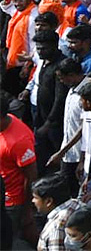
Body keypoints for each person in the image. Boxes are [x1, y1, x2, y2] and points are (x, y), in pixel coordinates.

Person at [0, 93, 39, 244]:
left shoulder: (19, 141)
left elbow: (31, 176)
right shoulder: (5, 122)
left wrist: (28, 211)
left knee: (9, 240)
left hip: (12, 202)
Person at [32, 172, 83, 251]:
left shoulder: (56, 227)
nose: (33, 201)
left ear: (48, 201)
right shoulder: (76, 204)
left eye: (35, 198)